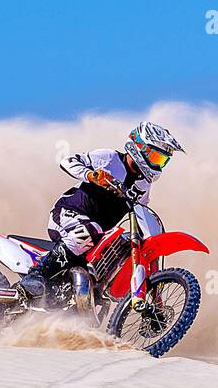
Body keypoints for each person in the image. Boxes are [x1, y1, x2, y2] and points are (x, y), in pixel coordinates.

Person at [17, 120, 185, 303]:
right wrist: (91, 175)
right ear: (140, 147)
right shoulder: (110, 158)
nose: (157, 163)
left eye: (162, 160)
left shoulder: (144, 184)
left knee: (119, 248)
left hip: (97, 234)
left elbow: (141, 211)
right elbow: (68, 161)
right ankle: (35, 276)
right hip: (67, 214)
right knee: (92, 230)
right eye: (155, 157)